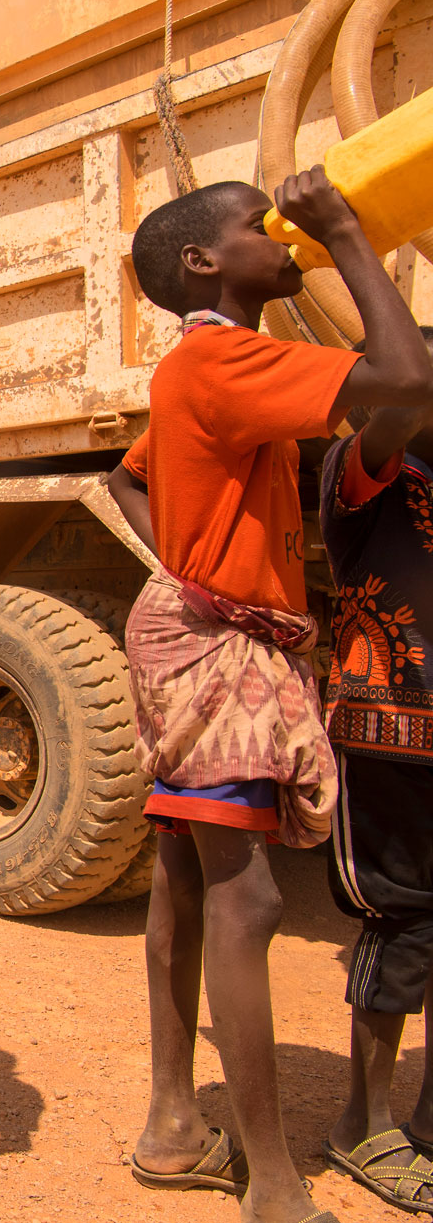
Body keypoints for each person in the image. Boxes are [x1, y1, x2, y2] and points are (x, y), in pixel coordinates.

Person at [105, 170, 433, 1223]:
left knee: (187, 887)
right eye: (263, 226)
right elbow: (406, 378)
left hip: (204, 631)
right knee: (244, 899)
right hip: (215, 648)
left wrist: (186, 565)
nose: (280, 233)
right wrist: (343, 234)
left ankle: (171, 1124)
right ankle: (276, 1183)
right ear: (203, 262)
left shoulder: (202, 367)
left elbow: (128, 475)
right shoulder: (223, 356)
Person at [317, 329, 433, 1215]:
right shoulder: (361, 476)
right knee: (403, 922)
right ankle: (364, 1122)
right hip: (388, 739)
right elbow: (397, 406)